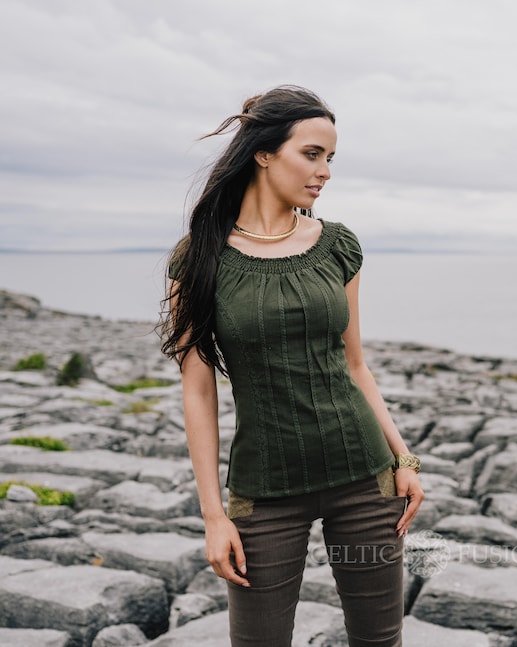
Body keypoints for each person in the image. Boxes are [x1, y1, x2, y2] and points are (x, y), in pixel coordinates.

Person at [161, 85, 424, 647]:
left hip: (365, 478)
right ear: (263, 152)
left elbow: (356, 365)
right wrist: (213, 516)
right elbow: (198, 390)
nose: (325, 171)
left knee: (380, 642)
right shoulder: (200, 257)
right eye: (312, 154)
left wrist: (404, 457)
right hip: (265, 490)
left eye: (330, 158)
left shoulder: (338, 246)